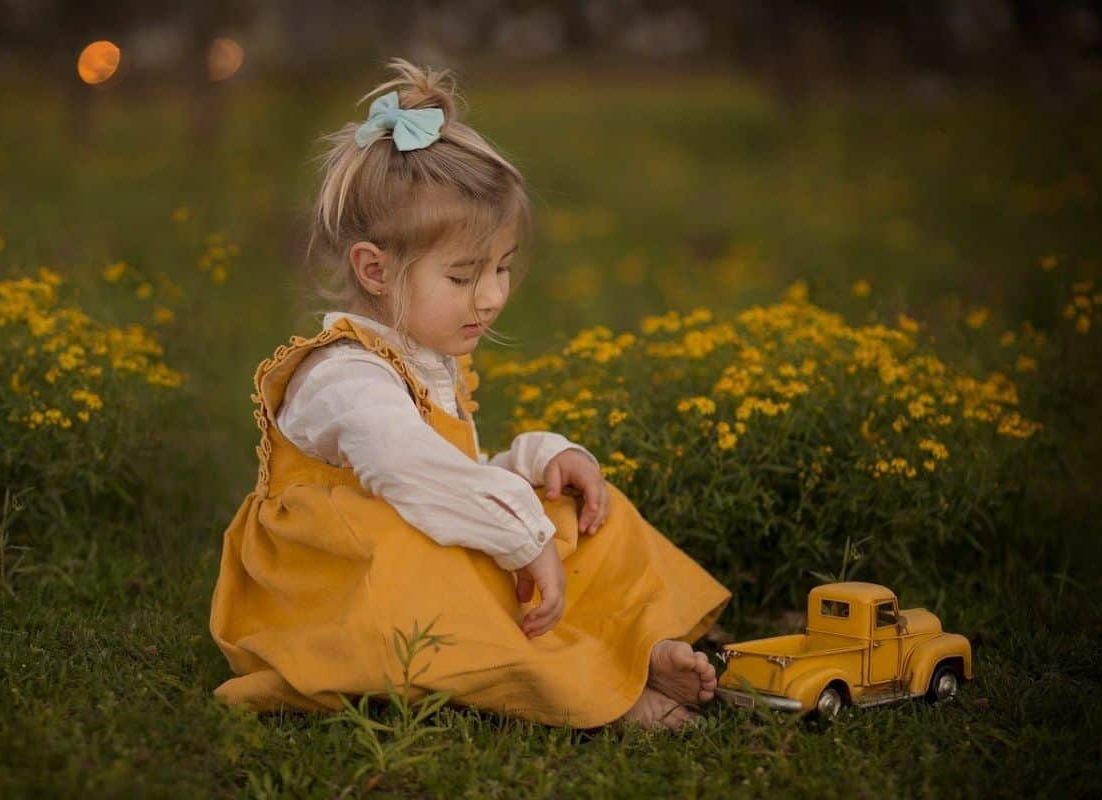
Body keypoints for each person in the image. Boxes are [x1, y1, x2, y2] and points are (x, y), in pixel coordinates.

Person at [209, 58, 731, 732]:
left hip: (417, 535)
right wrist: (521, 531)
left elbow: (454, 480)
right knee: (436, 563)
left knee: (578, 512)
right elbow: (411, 474)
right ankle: (601, 691)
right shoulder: (346, 378)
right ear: (375, 269)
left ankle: (638, 644)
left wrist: (531, 465)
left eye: (502, 269)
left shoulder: (425, 361)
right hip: (333, 597)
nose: (490, 297)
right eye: (462, 277)